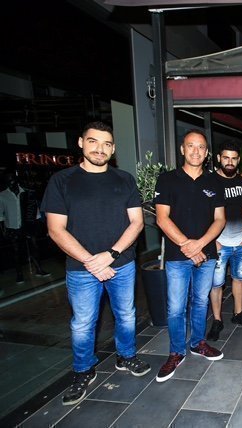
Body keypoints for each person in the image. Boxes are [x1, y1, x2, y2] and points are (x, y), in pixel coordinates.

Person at [41, 121, 150, 406]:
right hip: (81, 269)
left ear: (113, 149)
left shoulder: (124, 179)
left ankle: (126, 356)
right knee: (82, 324)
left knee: (126, 315)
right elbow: (55, 229)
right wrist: (92, 262)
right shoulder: (62, 180)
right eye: (93, 141)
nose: (100, 149)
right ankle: (83, 370)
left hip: (121, 263)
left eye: (106, 144)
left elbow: (137, 223)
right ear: (81, 143)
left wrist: (110, 254)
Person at [154, 129, 226, 382]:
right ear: (182, 149)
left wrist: (200, 245)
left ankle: (198, 343)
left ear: (207, 153)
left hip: (207, 255)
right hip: (177, 255)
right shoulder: (167, 180)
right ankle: (176, 352)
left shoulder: (214, 182)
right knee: (176, 307)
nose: (196, 151)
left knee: (201, 302)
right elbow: (162, 218)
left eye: (201, 147)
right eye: (191, 146)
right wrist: (187, 245)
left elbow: (220, 219)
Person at [207, 142, 242, 341]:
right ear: (219, 158)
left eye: (234, 158)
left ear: (238, 160)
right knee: (216, 284)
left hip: (241, 241)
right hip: (219, 243)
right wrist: (212, 240)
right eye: (226, 158)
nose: (230, 162)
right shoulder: (209, 181)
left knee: (239, 278)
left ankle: (238, 313)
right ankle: (217, 320)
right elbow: (204, 213)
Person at [0, 170, 50, 283]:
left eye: (12, 179)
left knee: (34, 247)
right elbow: (0, 215)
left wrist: (37, 222)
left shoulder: (27, 192)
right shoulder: (2, 195)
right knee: (16, 251)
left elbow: (34, 208)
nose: (11, 182)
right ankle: (19, 274)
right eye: (8, 180)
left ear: (16, 179)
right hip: (13, 227)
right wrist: (3, 230)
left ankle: (39, 269)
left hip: (28, 224)